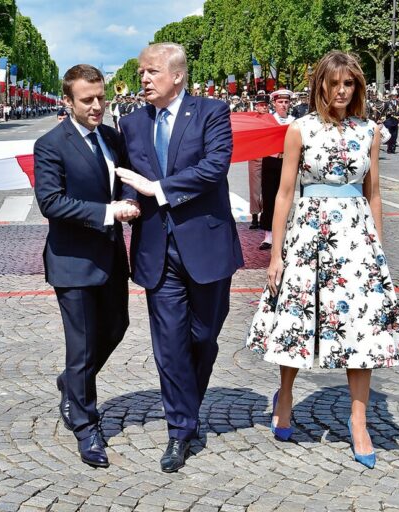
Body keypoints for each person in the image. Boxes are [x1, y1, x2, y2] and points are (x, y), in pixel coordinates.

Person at [246, 51, 399, 470]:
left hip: (356, 239)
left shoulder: (370, 131)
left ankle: (359, 421)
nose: (342, 91)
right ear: (320, 84)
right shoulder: (299, 129)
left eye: (349, 84)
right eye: (335, 83)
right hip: (308, 235)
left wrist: (378, 248)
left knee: (363, 328)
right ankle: (286, 396)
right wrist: (276, 253)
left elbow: (374, 193)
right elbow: (284, 194)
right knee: (297, 320)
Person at [115, 43, 244, 473]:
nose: (143, 79)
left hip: (206, 246)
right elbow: (128, 174)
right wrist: (129, 199)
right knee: (169, 346)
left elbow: (215, 167)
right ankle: (180, 430)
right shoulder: (132, 122)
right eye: (141, 72)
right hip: (157, 250)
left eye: (151, 71)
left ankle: (187, 408)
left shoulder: (211, 112)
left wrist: (158, 190)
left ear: (177, 75)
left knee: (203, 337)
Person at [34, 64, 138, 468]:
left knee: (116, 327)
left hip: (110, 256)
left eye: (101, 98)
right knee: (80, 346)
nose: (97, 106)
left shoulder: (111, 137)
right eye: (87, 100)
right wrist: (109, 212)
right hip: (73, 260)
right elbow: (51, 201)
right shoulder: (50, 145)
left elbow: (126, 176)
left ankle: (71, 383)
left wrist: (129, 197)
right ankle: (86, 426)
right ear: (68, 101)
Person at [259, 89, 296, 250]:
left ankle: (283, 232)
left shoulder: (294, 121)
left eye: (286, 102)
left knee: (286, 197)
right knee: (269, 197)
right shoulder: (268, 120)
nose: (283, 105)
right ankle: (268, 235)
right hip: (270, 160)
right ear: (274, 103)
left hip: (287, 162)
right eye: (280, 102)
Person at [248, 92, 270, 229]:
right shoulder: (251, 120)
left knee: (268, 189)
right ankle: (255, 216)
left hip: (269, 157)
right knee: (254, 189)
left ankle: (265, 216)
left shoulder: (272, 119)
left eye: (266, 105)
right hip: (255, 157)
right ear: (256, 106)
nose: (264, 107)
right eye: (261, 105)